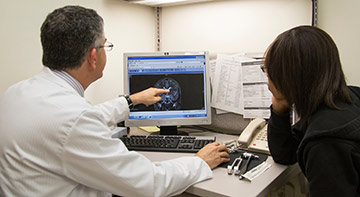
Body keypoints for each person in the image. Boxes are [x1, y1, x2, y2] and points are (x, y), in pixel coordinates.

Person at [0, 5, 230, 197]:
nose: (104, 51)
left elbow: (75, 123)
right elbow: (149, 183)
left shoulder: (18, 93)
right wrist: (200, 162)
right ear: (93, 56)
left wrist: (130, 101)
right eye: (104, 45)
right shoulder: (73, 119)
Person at [264, 25, 360, 196]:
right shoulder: (345, 99)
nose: (267, 79)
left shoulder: (325, 141)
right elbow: (284, 154)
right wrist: (279, 107)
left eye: (268, 71)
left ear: (288, 78)